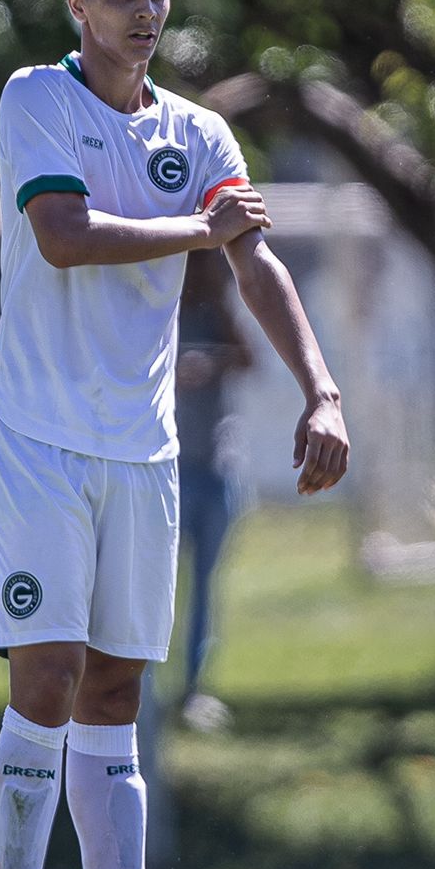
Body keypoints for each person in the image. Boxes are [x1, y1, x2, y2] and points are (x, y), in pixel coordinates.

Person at [0, 0, 349, 869]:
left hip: (144, 448)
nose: (143, 11)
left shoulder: (199, 132)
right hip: (39, 438)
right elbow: (65, 236)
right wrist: (203, 230)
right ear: (77, 5)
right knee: (48, 676)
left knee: (116, 690)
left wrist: (321, 392)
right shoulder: (36, 99)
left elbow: (256, 264)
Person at [175, 249, 253, 730]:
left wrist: (222, 302)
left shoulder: (221, 313)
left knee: (205, 585)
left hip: (217, 468)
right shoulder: (161, 310)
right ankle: (147, 684)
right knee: (160, 586)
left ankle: (194, 686)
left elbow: (248, 360)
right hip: (171, 470)